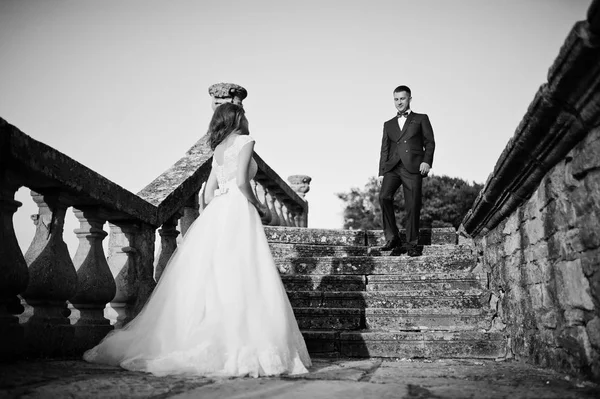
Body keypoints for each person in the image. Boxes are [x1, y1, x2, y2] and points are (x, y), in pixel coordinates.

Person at [84, 103, 311, 377]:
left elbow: (207, 193)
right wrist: (260, 207)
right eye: (244, 113)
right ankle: (240, 341)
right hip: (239, 209)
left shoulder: (217, 149)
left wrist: (215, 212)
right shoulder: (246, 141)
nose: (247, 117)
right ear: (237, 117)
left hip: (220, 210)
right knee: (243, 272)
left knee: (215, 275)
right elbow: (242, 182)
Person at [377, 85, 435, 257]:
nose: (399, 102)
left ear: (409, 99)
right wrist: (381, 172)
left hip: (413, 166)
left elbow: (430, 142)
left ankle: (411, 243)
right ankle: (393, 237)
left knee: (412, 204)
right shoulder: (388, 124)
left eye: (402, 98)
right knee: (384, 197)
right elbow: (384, 149)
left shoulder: (421, 118)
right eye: (396, 99)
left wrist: (427, 162)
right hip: (393, 167)